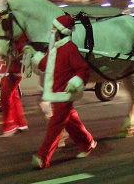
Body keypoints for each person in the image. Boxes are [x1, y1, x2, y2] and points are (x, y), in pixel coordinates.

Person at [31, 14, 96, 169]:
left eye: (54, 27)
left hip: (64, 95)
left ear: (61, 30)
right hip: (56, 93)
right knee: (71, 122)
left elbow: (83, 69)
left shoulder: (69, 48)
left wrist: (75, 82)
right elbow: (45, 64)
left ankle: (42, 157)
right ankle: (87, 144)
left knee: (55, 125)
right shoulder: (56, 48)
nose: (52, 30)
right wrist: (35, 57)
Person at [0, 33, 29, 137]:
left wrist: (11, 56)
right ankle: (21, 123)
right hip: (10, 68)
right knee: (14, 95)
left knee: (5, 96)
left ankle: (9, 126)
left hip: (16, 68)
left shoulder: (21, 34)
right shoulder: (12, 31)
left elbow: (24, 51)